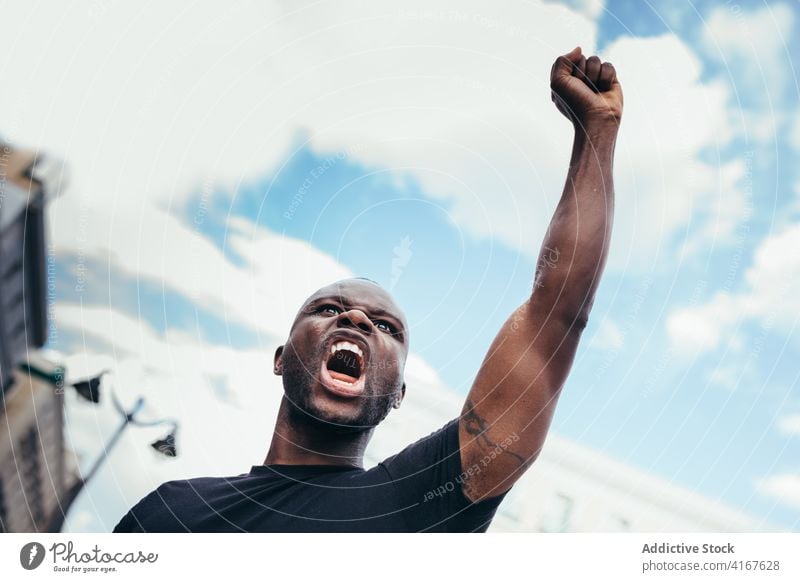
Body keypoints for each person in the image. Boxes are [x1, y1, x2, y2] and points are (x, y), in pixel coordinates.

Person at [113, 46, 622, 533]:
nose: (355, 320)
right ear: (280, 357)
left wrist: (596, 133)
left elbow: (556, 314)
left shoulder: (419, 506)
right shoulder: (171, 512)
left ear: (398, 393)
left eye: (385, 327)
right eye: (328, 308)